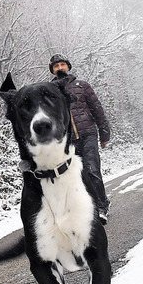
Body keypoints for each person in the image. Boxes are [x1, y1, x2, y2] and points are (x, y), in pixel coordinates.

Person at [49, 53, 112, 222]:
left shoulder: (82, 85)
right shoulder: (50, 91)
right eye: (56, 66)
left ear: (68, 67)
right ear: (53, 71)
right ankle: (87, 208)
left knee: (92, 170)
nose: (60, 68)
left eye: (62, 64)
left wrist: (104, 133)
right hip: (67, 141)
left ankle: (102, 206)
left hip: (88, 134)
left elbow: (97, 109)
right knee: (77, 176)